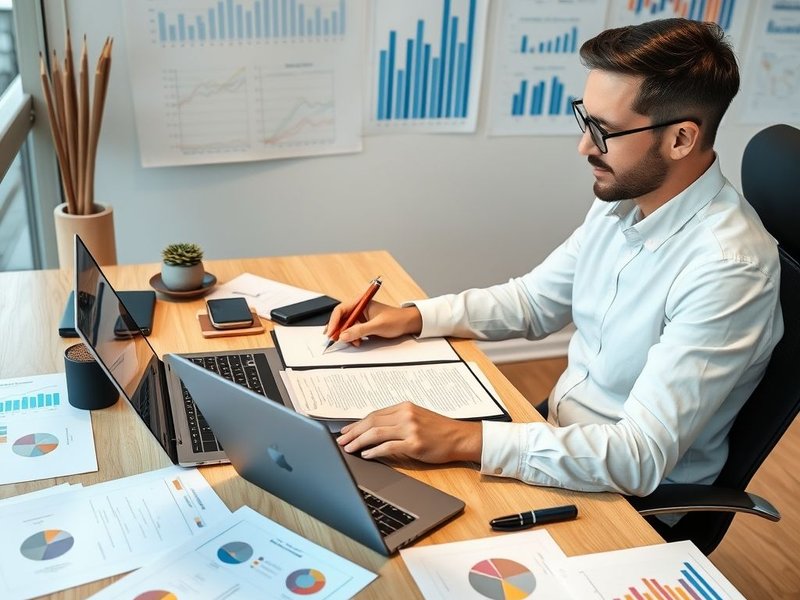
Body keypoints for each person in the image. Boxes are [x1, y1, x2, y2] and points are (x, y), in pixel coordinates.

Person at [328, 18, 783, 500]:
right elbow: (533, 301)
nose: (584, 146)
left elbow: (639, 457)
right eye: (585, 120)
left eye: (604, 131)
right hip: (557, 438)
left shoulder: (729, 270)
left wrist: (465, 438)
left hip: (628, 501)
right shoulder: (624, 199)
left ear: (680, 139)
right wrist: (414, 317)